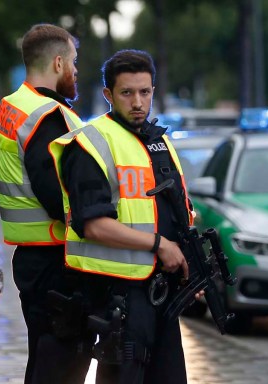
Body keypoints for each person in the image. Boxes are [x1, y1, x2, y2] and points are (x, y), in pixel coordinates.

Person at [49, 49, 193, 383]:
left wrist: (188, 265)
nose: (138, 102)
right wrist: (160, 245)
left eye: (145, 92)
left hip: (161, 290)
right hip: (119, 295)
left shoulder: (158, 141)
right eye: (127, 93)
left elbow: (174, 213)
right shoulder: (90, 144)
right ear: (108, 95)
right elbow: (93, 225)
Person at [0, 23, 91, 384]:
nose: (77, 71)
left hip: (31, 258)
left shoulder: (10, 107)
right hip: (56, 258)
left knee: (43, 358)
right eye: (74, 62)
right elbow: (56, 192)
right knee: (61, 364)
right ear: (59, 63)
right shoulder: (48, 117)